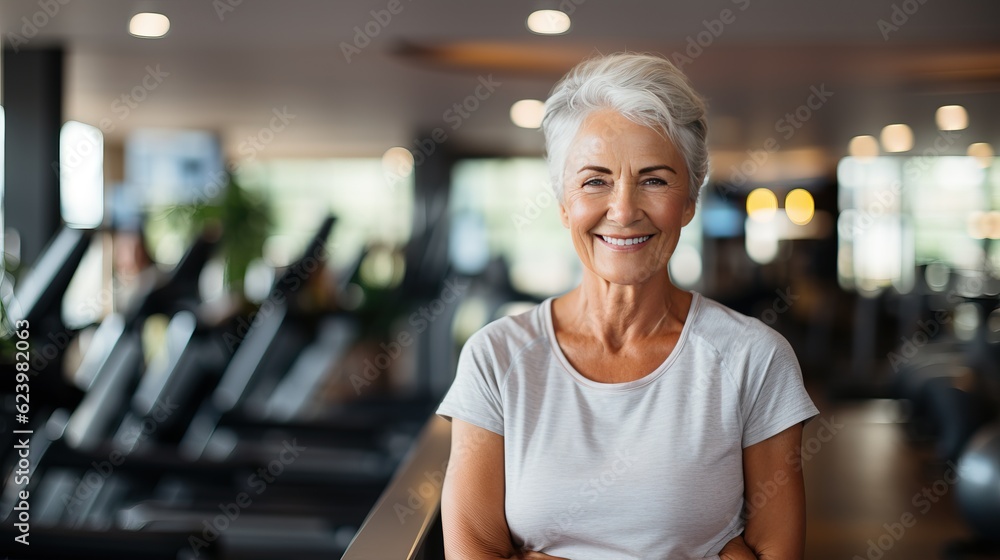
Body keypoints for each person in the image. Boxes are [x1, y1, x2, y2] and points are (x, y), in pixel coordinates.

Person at [437, 52, 819, 560]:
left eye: (654, 179)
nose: (622, 210)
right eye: (595, 181)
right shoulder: (496, 358)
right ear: (564, 202)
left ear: (689, 201)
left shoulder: (756, 358)